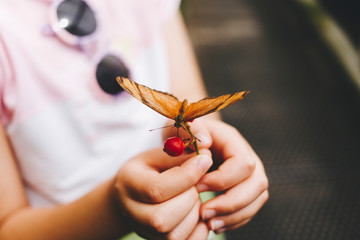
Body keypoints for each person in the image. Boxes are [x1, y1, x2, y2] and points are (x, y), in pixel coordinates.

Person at [0, 0, 269, 239]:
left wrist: (213, 137)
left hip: (192, 209)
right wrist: (116, 208)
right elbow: (7, 227)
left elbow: (191, 101)